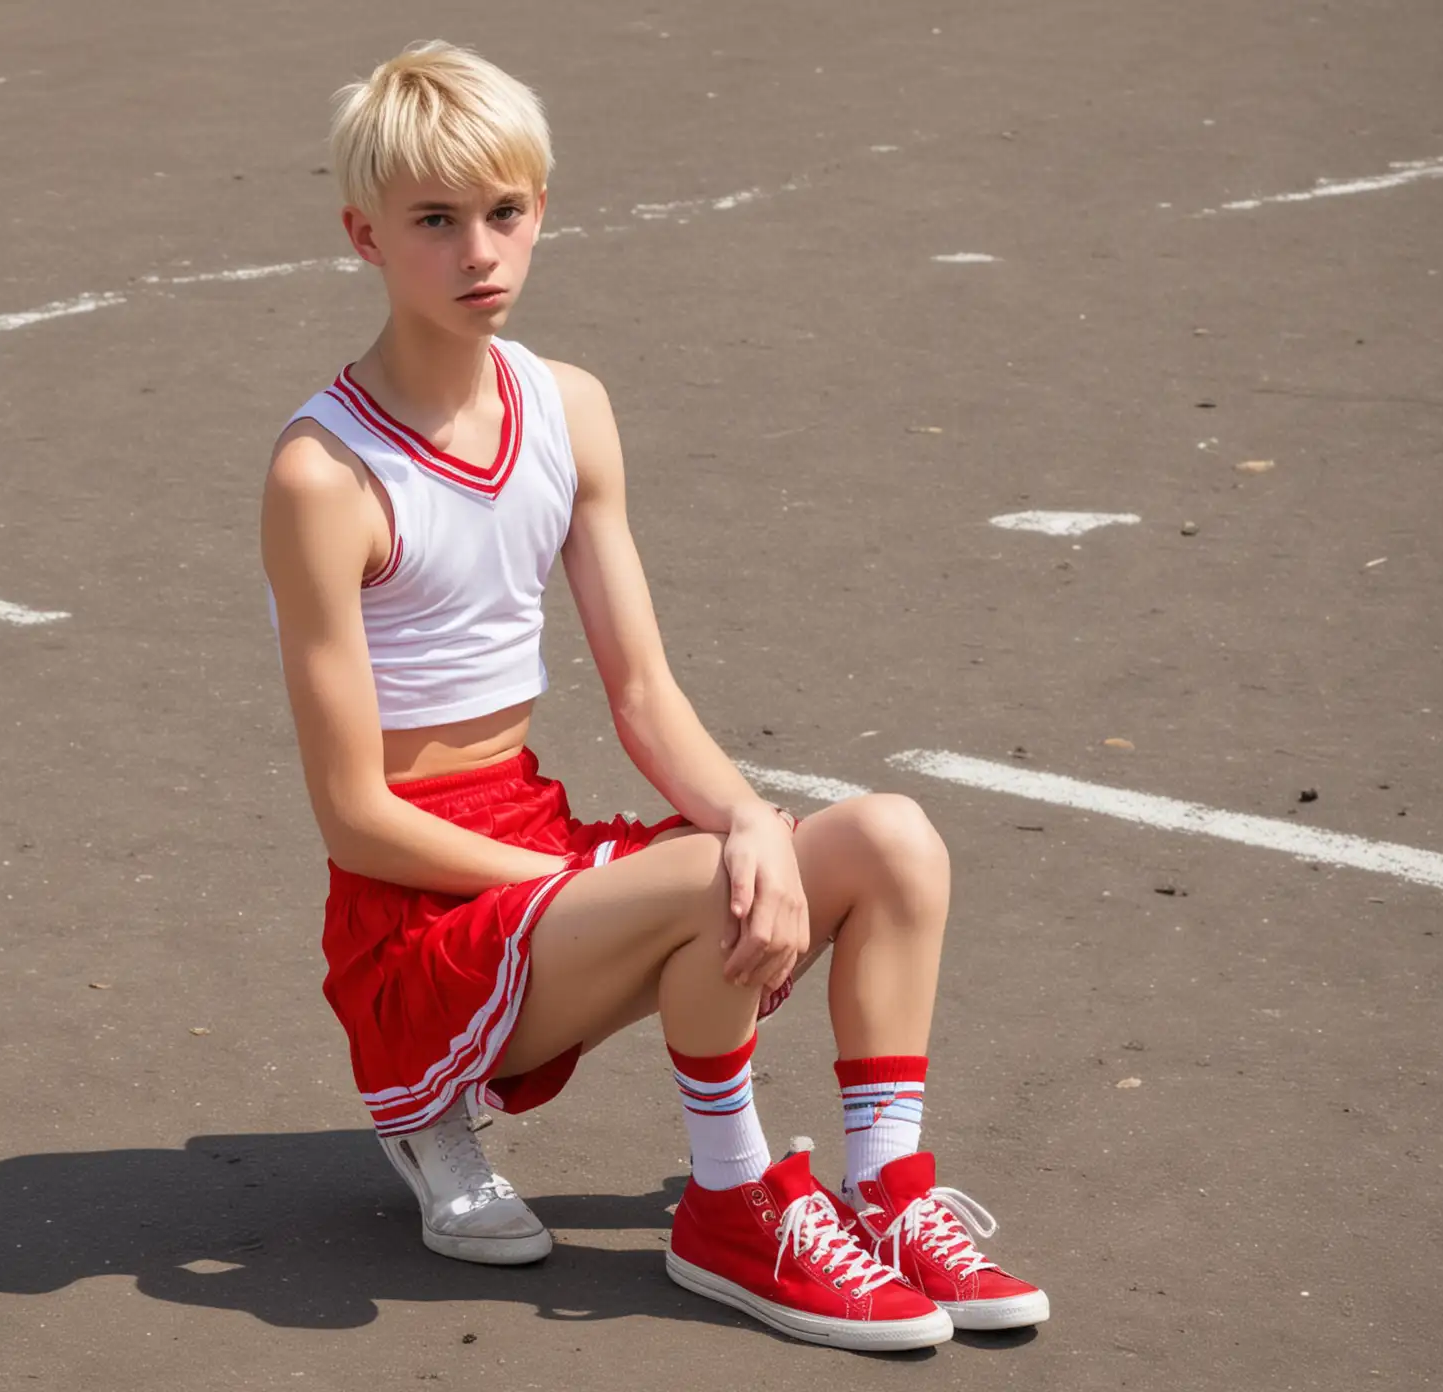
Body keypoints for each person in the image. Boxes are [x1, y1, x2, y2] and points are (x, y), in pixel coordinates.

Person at [258, 40, 1049, 1351]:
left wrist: (746, 821)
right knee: (708, 879)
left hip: (543, 848)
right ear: (364, 235)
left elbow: (641, 691)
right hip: (414, 925)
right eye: (435, 223)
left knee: (890, 841)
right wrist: (655, 875)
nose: (479, 256)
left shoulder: (569, 408)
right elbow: (353, 819)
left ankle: (889, 1190)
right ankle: (729, 1209)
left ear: (542, 210)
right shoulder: (323, 475)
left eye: (505, 215)